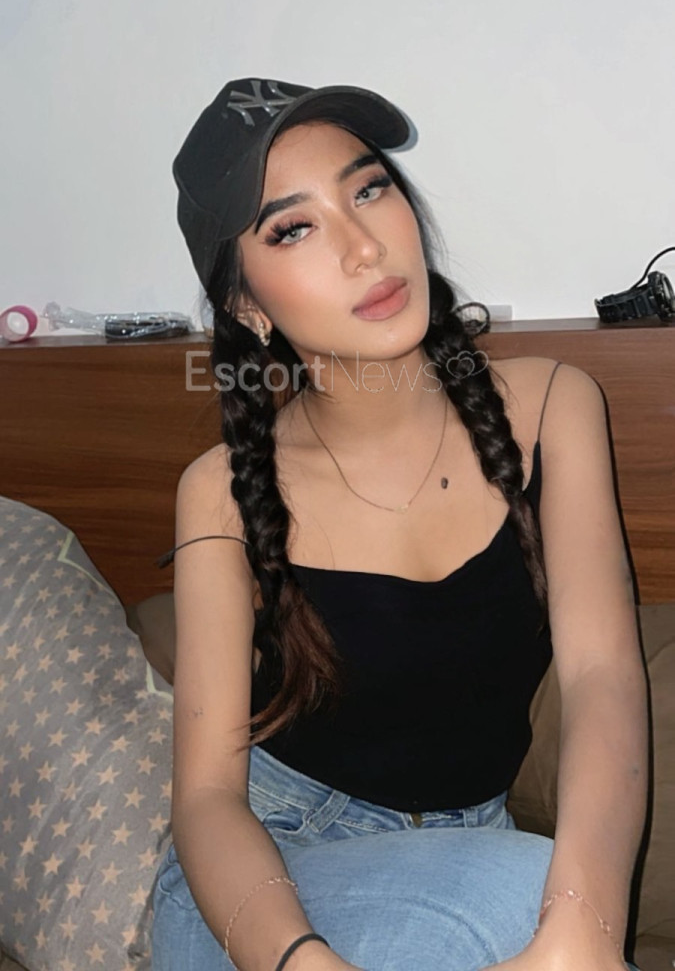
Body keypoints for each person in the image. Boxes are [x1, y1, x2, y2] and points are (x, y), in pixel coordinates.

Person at [150, 77, 648, 971]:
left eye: (369, 189)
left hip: (466, 852)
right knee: (514, 899)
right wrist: (299, 960)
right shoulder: (219, 490)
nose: (364, 246)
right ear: (247, 305)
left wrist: (584, 919)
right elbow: (208, 801)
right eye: (293, 229)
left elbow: (601, 676)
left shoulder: (552, 406)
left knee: (536, 903)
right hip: (260, 878)